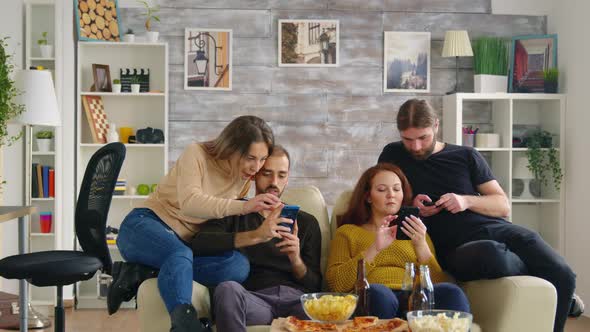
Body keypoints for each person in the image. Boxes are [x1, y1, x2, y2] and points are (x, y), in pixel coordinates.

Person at [378, 99, 577, 332]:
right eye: (408, 139)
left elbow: (503, 205)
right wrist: (411, 205)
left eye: (423, 138)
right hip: (453, 247)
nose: (416, 147)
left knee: (563, 274)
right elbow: (379, 197)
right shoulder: (393, 154)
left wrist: (465, 200)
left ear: (436, 126)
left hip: (496, 228)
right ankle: (543, 275)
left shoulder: (465, 155)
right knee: (491, 254)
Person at [109, 116, 282, 332]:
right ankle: (186, 324)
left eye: (262, 159)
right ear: (232, 148)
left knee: (238, 265)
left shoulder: (243, 178)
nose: (256, 167)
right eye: (250, 157)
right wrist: (244, 206)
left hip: (183, 247)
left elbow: (218, 218)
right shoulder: (196, 153)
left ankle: (140, 272)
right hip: (145, 224)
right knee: (179, 254)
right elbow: (191, 203)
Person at [192, 146, 322, 332]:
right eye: (267, 174)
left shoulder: (306, 222)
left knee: (325, 305)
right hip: (253, 299)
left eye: (281, 175)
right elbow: (199, 243)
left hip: (297, 301)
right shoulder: (234, 212)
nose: (274, 182)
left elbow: (315, 285)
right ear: (254, 174)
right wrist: (256, 235)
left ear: (288, 177)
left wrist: (296, 259)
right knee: (227, 289)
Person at [326, 163, 470, 318]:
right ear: (368, 197)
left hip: (416, 298)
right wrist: (374, 248)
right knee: (377, 293)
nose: (391, 195)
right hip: (377, 296)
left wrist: (421, 245)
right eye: (382, 190)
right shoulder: (348, 232)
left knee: (451, 292)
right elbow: (336, 284)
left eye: (396, 189)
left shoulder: (416, 232)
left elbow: (435, 283)